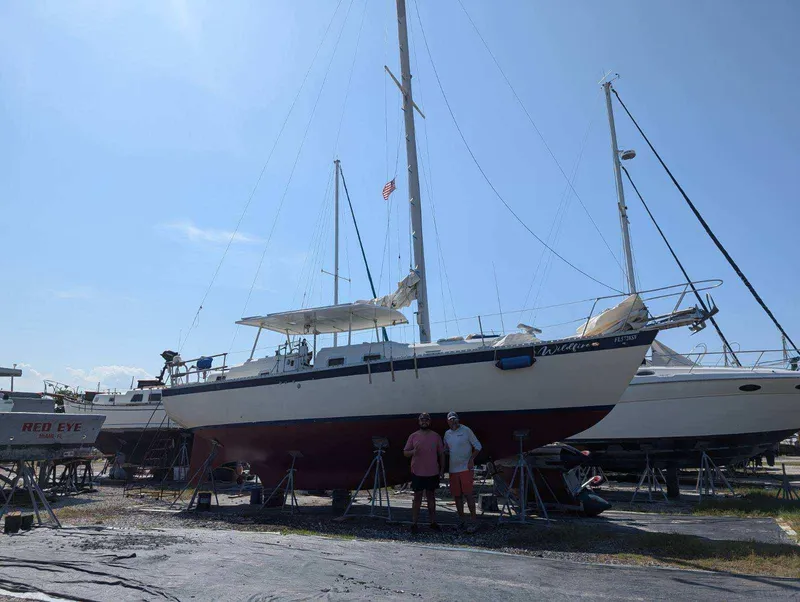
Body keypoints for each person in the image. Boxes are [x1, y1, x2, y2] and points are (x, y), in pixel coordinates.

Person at [403, 412, 445, 533]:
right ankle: (414, 523)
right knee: (417, 497)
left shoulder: (436, 436)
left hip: (432, 471)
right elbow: (405, 452)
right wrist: (413, 452)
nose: (424, 421)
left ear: (429, 421)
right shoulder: (413, 436)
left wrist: (442, 469)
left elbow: (441, 454)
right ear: (419, 421)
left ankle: (433, 522)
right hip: (417, 471)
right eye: (422, 420)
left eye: (426, 420)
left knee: (431, 497)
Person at [443, 411, 482, 532]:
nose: (453, 421)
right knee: (457, 496)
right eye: (451, 420)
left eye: (454, 419)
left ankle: (474, 521)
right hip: (453, 469)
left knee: (468, 494)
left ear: (458, 420)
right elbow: (446, 448)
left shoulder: (466, 430)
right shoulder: (447, 434)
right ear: (448, 422)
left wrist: (471, 459)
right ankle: (462, 520)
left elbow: (478, 446)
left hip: (465, 468)